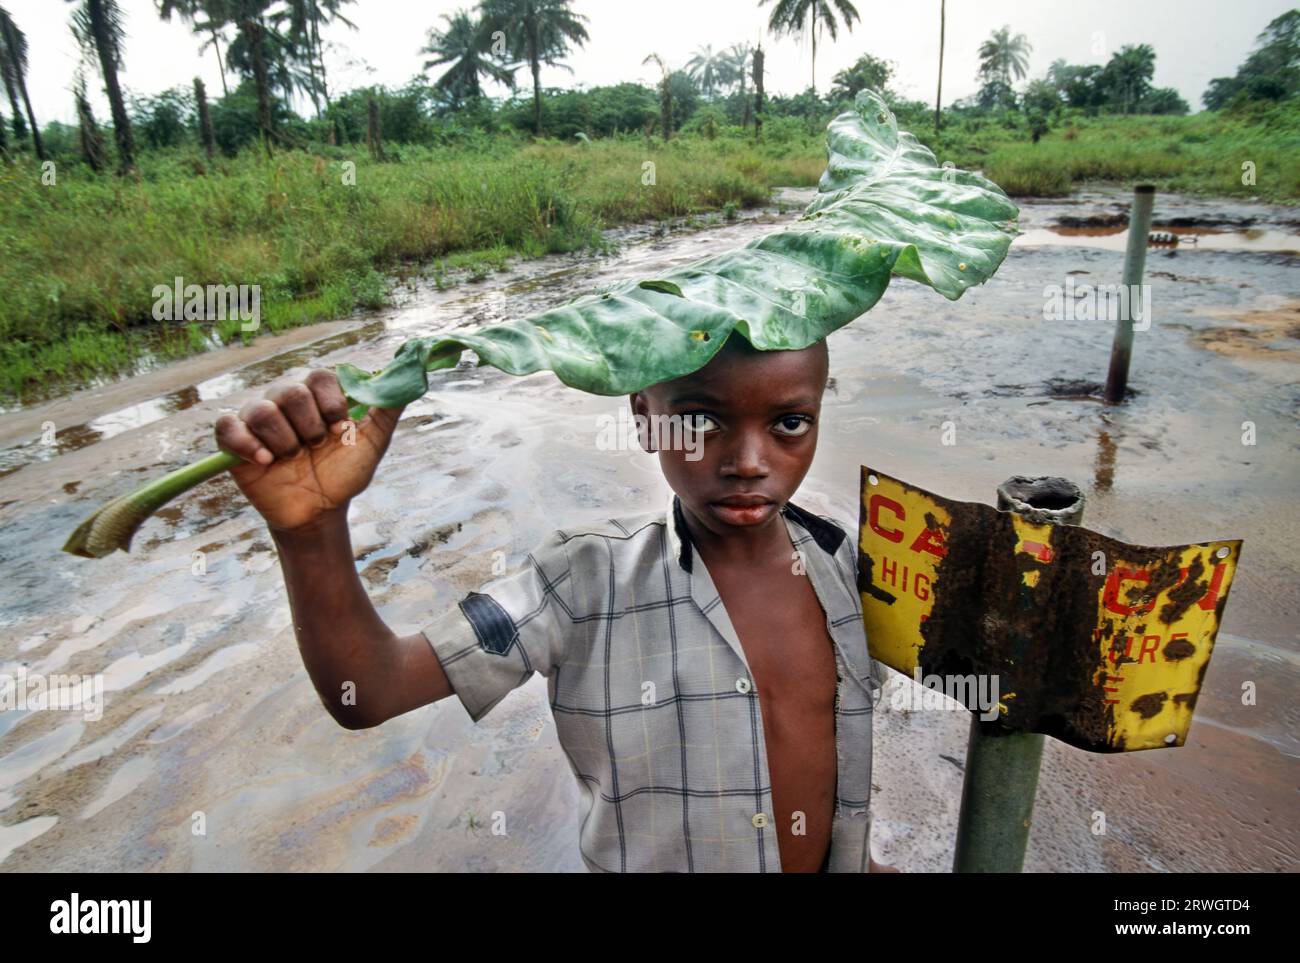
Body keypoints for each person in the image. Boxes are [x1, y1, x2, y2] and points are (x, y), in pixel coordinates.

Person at [213, 330, 897, 873]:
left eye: (788, 423)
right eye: (698, 420)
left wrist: (855, 856)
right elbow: (369, 690)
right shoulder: (583, 578)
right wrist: (309, 534)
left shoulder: (842, 562)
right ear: (642, 416)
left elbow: (824, 755)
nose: (748, 459)